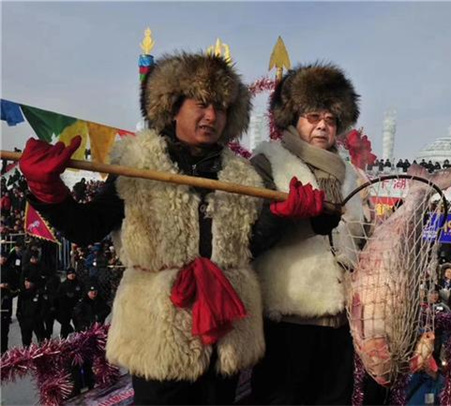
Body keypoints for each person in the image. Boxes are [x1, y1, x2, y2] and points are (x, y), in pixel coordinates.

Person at [19, 52, 318, 405]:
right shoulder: (136, 163)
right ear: (174, 106)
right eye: (202, 103)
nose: (211, 116)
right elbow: (87, 227)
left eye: (221, 108)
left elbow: (249, 244)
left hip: (225, 329)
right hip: (160, 330)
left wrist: (280, 216)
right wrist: (50, 192)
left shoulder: (242, 175)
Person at [250, 63, 365, 404]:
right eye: (313, 116)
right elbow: (246, 239)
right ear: (293, 118)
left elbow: (358, 238)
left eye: (330, 120)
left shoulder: (349, 174)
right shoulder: (268, 163)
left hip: (340, 324)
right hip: (287, 321)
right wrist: (283, 218)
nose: (322, 126)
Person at [16, 276, 46, 347]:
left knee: (42, 340)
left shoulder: (39, 293)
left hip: (36, 320)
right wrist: (20, 319)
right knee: (26, 342)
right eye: (25, 282)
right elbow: (19, 308)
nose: (26, 284)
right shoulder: (22, 294)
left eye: (28, 282)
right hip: (25, 320)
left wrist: (40, 317)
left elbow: (43, 307)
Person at [56, 268, 83, 338]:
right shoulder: (63, 285)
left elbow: (83, 294)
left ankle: (80, 339)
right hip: (66, 308)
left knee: (79, 325)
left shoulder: (79, 284)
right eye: (70, 274)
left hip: (77, 307)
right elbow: (58, 297)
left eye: (73, 273)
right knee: (65, 325)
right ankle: (63, 340)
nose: (71, 275)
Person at [1, 252, 18, 353]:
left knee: (4, 330)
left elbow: (16, 286)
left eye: (4, 257)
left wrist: (9, 288)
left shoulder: (10, 269)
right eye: (1, 257)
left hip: (6, 301)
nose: (3, 259)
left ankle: (3, 351)